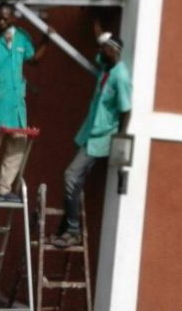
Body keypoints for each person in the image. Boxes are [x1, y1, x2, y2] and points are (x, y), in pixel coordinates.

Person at [52, 26, 131, 248]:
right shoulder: (107, 68)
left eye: (103, 48)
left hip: (103, 137)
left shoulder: (120, 77)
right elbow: (99, 55)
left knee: (70, 175)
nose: (99, 52)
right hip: (90, 133)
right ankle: (66, 227)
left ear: (113, 50)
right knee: (75, 182)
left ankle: (73, 230)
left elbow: (126, 110)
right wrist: (97, 30)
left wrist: (120, 140)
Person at [0, 1, 49, 203]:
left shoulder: (22, 37)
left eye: (5, 18)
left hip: (15, 104)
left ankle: (4, 189)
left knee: (18, 144)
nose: (1, 22)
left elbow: (33, 60)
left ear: (13, 18)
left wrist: (47, 39)